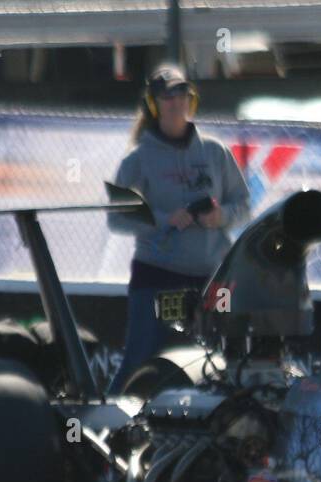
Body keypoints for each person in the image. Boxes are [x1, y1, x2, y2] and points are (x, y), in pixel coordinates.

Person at [106, 65, 251, 394]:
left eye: (181, 94)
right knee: (141, 359)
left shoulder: (215, 151)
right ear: (154, 104)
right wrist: (165, 219)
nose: (175, 102)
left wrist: (220, 216)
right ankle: (107, 428)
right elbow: (117, 218)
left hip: (214, 280)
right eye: (167, 96)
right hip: (160, 278)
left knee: (224, 359)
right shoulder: (138, 160)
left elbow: (242, 204)